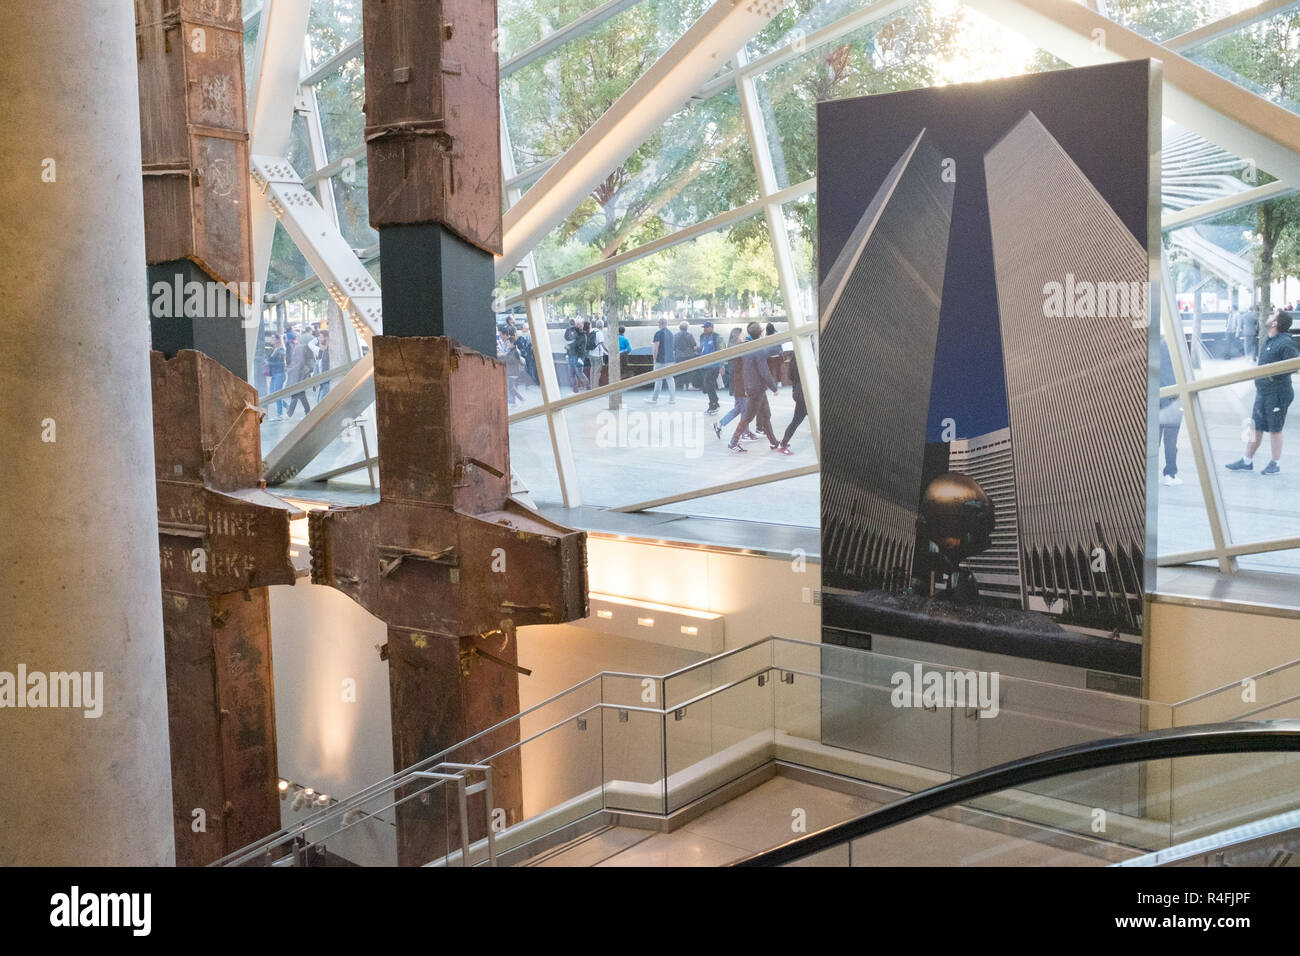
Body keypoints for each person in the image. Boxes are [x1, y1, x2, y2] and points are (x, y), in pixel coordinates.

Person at [1226, 310, 1299, 475]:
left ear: (1275, 323)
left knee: (1275, 428)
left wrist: (1274, 375)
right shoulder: (1269, 340)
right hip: (1263, 392)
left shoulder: (1285, 343)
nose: (1269, 315)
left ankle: (1275, 463)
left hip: (1278, 393)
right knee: (1256, 427)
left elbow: (1295, 364)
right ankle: (1247, 461)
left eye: (1272, 315)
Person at [729, 322, 783, 453]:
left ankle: (773, 442)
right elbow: (764, 371)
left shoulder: (748, 347)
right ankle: (733, 442)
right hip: (756, 388)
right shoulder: (757, 350)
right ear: (761, 333)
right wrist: (774, 388)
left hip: (754, 387)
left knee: (766, 415)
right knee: (749, 417)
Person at [1158, 338, 1182, 485]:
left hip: (1157, 399)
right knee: (1171, 440)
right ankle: (1170, 474)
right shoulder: (1177, 350)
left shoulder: (1155, 347)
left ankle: (1147, 474)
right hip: (1174, 400)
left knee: (1154, 440)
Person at [777, 356, 806, 452]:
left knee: (796, 421)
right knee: (796, 421)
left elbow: (790, 376)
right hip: (804, 393)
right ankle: (783, 443)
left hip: (798, 391)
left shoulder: (794, 359)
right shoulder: (804, 359)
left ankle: (784, 443)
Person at [285, 328, 315, 417]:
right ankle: (307, 411)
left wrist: (291, 369)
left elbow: (299, 361)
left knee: (297, 392)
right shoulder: (307, 348)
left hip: (298, 374)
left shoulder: (299, 347)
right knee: (300, 393)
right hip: (304, 373)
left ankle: (290, 413)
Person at [697, 320, 724, 414]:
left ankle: (714, 404)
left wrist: (721, 366)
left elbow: (722, 352)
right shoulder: (702, 337)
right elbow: (702, 349)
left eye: (706, 327)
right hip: (704, 365)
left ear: (711, 328)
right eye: (703, 327)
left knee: (709, 383)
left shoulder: (717, 337)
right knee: (707, 385)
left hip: (714, 365)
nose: (704, 329)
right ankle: (714, 403)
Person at [648, 316, 676, 404]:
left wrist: (654, 359)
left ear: (660, 324)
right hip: (670, 359)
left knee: (658, 379)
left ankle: (654, 399)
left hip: (660, 360)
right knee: (670, 379)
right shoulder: (671, 333)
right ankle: (672, 399)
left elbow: (656, 348)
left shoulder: (658, 333)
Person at [265, 332, 287, 418]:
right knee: (272, 394)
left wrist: (268, 363)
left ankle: (280, 414)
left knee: (277, 395)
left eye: (273, 338)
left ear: (278, 340)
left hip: (279, 374)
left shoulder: (281, 350)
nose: (271, 339)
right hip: (275, 374)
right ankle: (288, 407)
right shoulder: (275, 349)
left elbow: (281, 364)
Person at [564, 318, 589, 392]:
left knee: (579, 373)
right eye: (576, 324)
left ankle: (588, 387)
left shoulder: (582, 334)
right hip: (571, 355)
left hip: (578, 357)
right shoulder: (574, 332)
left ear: (582, 325)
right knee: (571, 374)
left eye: (579, 324)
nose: (577, 325)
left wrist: (569, 347)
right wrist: (568, 328)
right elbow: (566, 338)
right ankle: (575, 390)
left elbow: (578, 346)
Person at [673, 320, 698, 390]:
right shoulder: (689, 335)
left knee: (682, 370)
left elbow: (673, 346)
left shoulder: (675, 335)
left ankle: (684, 385)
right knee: (690, 370)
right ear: (687, 327)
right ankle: (690, 384)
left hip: (679, 356)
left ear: (679, 327)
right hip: (689, 355)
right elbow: (694, 345)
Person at [504, 331, 526, 406]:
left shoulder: (515, 351)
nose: (507, 345)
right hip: (512, 371)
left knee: (511, 388)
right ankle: (517, 401)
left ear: (512, 343)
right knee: (511, 387)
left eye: (508, 343)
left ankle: (520, 399)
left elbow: (512, 360)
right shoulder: (512, 350)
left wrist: (503, 357)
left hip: (513, 372)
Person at [315, 328, 332, 401]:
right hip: (322, 380)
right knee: (319, 400)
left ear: (327, 338)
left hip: (326, 380)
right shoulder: (322, 351)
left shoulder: (329, 351)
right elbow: (318, 365)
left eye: (321, 337)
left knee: (321, 401)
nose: (319, 339)